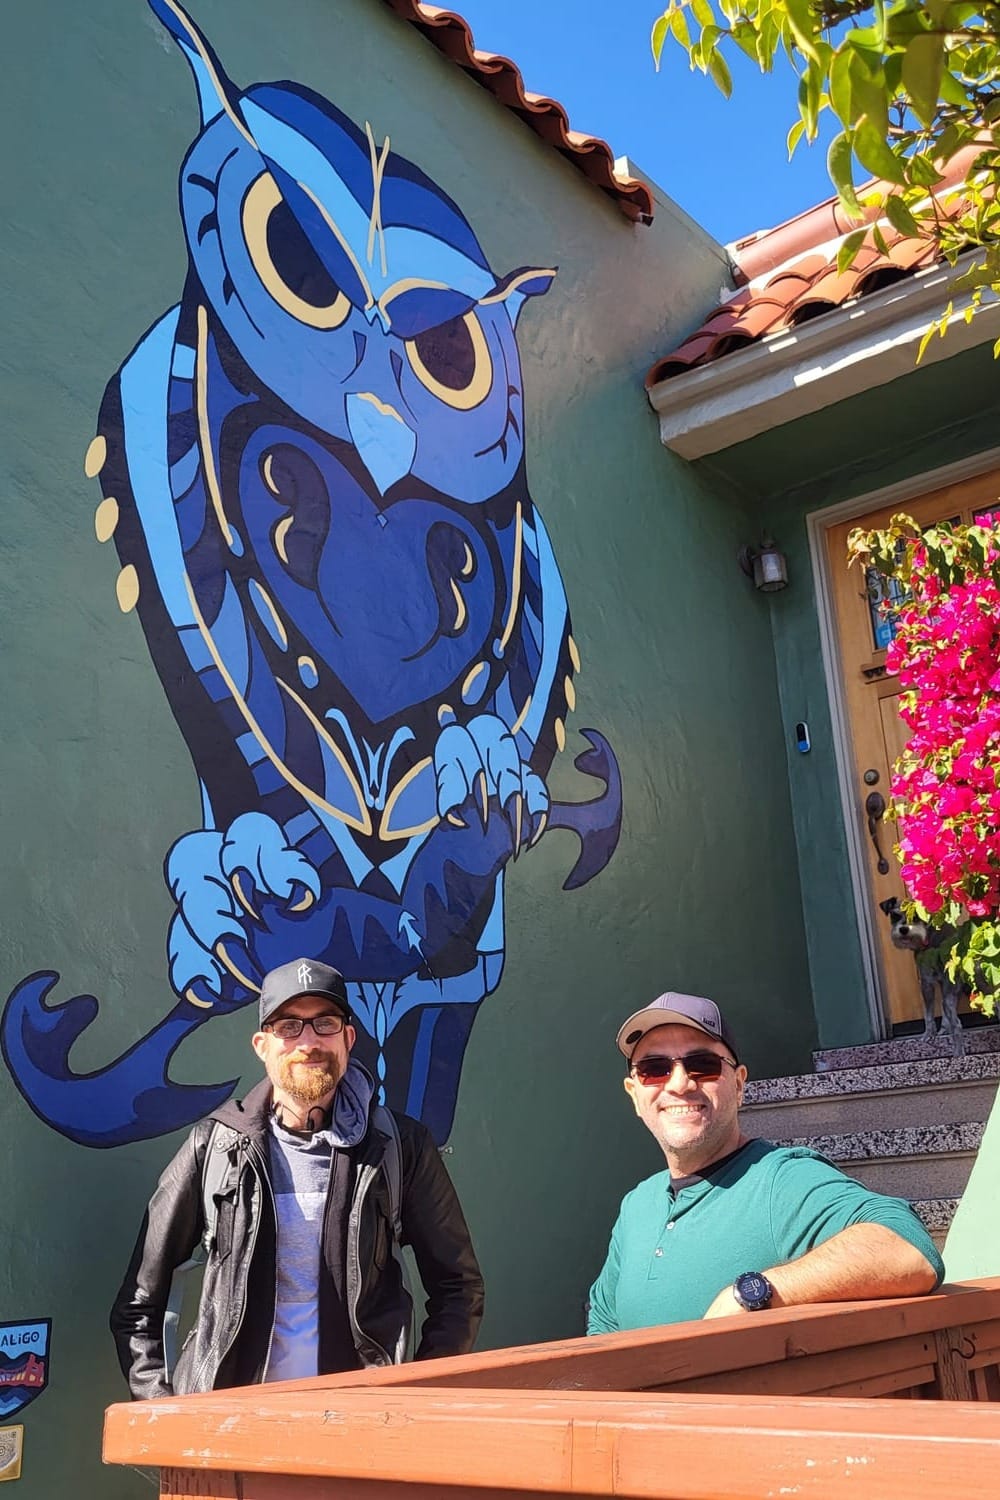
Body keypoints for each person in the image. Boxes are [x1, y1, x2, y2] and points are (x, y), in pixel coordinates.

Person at [111, 957, 484, 1397]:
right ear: (262, 1045)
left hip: (358, 1424)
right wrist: (160, 1408)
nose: (308, 1042)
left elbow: (458, 1289)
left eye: (324, 1023)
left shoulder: (398, 1147)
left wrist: (416, 1395)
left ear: (348, 1038)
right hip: (230, 1422)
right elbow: (140, 1300)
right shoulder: (217, 1145)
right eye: (288, 1026)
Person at [587, 991, 944, 1332]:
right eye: (654, 1069)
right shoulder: (637, 1205)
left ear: (739, 1085)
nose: (679, 1083)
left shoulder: (779, 1179)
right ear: (635, 1094)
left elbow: (909, 1249)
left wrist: (752, 1293)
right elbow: (603, 1328)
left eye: (703, 1065)